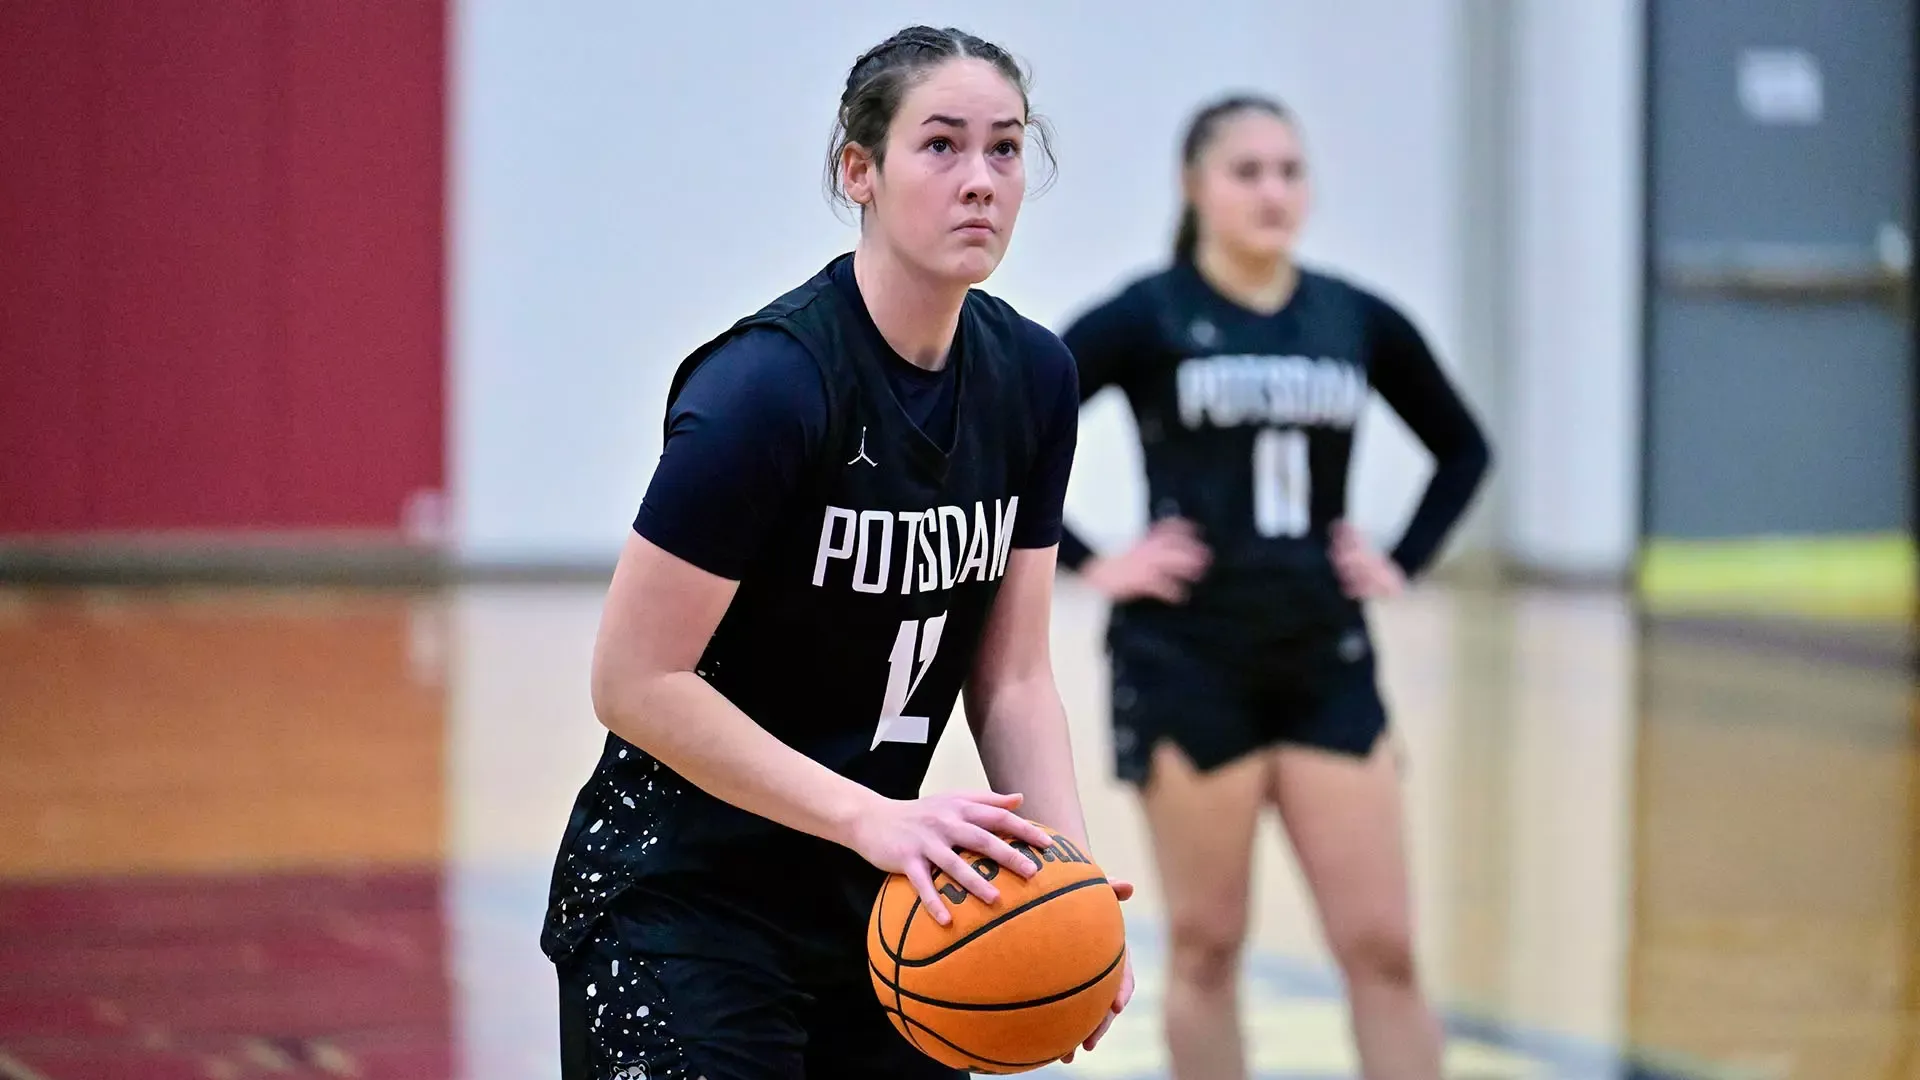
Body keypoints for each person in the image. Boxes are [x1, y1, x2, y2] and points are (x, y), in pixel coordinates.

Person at [540, 25, 1133, 1080]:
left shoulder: (1035, 378)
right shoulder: (768, 388)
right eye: (941, 146)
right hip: (680, 901)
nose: (981, 182)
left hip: (875, 900)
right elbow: (633, 680)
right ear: (857, 170)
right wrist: (874, 817)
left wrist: (1069, 889)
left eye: (1005, 149)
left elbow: (1014, 678)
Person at [1056, 94, 1491, 1080]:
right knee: (1207, 950)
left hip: (1324, 657)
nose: (1273, 191)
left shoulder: (1352, 315)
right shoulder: (1149, 314)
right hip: (1187, 660)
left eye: (1289, 171)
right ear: (1193, 185)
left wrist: (1402, 557)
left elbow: (1463, 447)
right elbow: (1008, 428)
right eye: (1247, 171)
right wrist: (1097, 561)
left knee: (1382, 947)